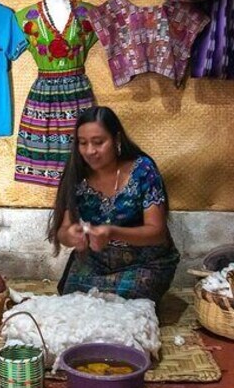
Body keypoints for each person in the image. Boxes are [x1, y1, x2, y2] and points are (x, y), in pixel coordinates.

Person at [47, 106, 180, 303]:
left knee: (126, 308)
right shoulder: (76, 173)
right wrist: (71, 235)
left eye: (98, 142)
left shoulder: (142, 170)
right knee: (74, 304)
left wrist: (112, 233)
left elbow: (156, 231)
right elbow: (63, 231)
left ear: (116, 140)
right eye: (83, 143)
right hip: (96, 261)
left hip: (146, 262)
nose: (90, 151)